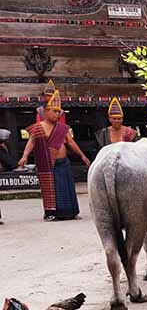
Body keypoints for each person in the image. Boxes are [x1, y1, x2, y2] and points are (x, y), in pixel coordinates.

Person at [18, 90, 90, 221]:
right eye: (54, 111)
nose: (57, 114)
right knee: (51, 189)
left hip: (64, 162)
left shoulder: (62, 128)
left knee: (67, 187)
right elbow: (31, 142)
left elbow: (71, 142)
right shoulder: (37, 128)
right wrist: (24, 156)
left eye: (58, 112)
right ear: (45, 112)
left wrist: (82, 155)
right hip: (47, 163)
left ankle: (71, 212)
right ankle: (52, 213)